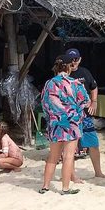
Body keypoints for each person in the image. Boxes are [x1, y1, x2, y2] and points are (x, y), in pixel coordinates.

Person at [40, 54, 89, 194]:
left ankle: (45, 186)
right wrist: (76, 113)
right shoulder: (75, 83)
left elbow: (44, 103)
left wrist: (51, 117)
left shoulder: (49, 83)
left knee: (52, 157)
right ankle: (65, 188)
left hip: (55, 123)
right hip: (72, 123)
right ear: (69, 66)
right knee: (68, 156)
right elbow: (85, 101)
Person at [65, 48, 105, 179]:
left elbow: (94, 87)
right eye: (71, 60)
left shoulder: (85, 72)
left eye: (76, 59)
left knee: (93, 144)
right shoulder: (62, 75)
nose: (73, 62)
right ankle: (71, 175)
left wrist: (94, 102)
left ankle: (98, 172)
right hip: (69, 117)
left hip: (85, 116)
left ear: (80, 59)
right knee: (70, 148)